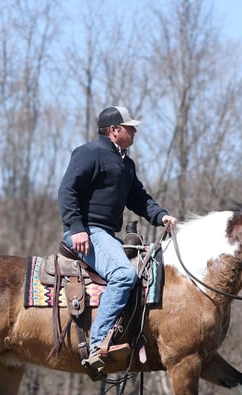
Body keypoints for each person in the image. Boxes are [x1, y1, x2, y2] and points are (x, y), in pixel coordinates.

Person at [58, 105, 178, 372]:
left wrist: (161, 216)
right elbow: (67, 191)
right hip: (88, 232)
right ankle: (97, 344)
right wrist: (77, 227)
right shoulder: (89, 153)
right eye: (129, 127)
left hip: (107, 235)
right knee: (124, 274)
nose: (134, 132)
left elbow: (139, 198)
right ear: (114, 130)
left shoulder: (126, 163)